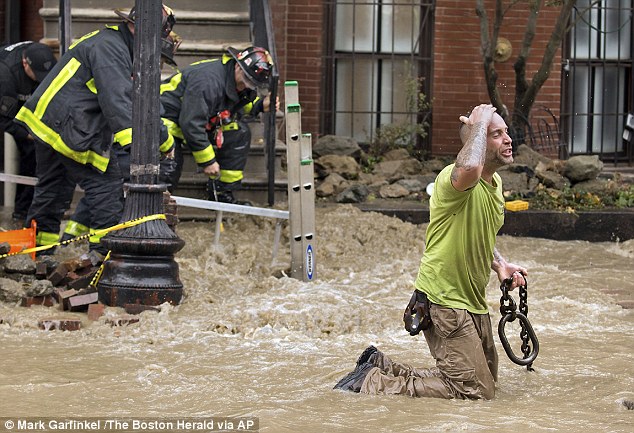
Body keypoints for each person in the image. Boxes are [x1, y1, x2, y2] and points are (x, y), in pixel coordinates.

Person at [334, 104, 528, 400]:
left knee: (488, 381)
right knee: (472, 391)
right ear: (476, 141)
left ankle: (379, 364)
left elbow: (480, 232)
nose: (508, 139)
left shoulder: (495, 183)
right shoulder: (454, 178)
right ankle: (370, 382)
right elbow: (470, 167)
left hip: (471, 300)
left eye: (507, 132)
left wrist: (500, 264)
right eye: (497, 134)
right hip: (445, 299)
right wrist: (478, 123)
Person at [15, 5, 176, 255]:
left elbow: (135, 100)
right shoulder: (112, 49)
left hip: (52, 125)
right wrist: (145, 150)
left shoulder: (114, 43)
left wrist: (163, 141)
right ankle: (103, 260)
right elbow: (120, 102)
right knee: (107, 188)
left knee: (53, 192)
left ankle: (34, 256)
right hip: (68, 127)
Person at [159, 46, 275, 203]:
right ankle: (157, 208)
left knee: (238, 133)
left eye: (252, 84)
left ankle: (222, 194)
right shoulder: (207, 81)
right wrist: (208, 162)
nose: (246, 87)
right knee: (170, 165)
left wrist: (260, 105)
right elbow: (191, 123)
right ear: (237, 65)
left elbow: (236, 100)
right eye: (246, 81)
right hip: (167, 120)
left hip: (200, 121)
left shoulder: (235, 79)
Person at [0, 41, 57, 220]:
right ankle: (20, 213)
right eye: (37, 76)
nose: (41, 80)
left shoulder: (45, 60)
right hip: (7, 106)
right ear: (25, 63)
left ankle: (27, 211)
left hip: (27, 109)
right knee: (30, 151)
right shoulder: (6, 75)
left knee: (36, 157)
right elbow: (4, 120)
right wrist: (29, 134)